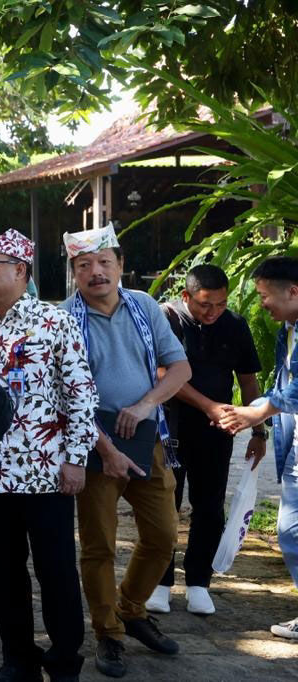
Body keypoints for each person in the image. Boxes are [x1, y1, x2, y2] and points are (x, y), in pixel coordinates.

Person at [0, 229, 98, 682]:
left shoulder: (54, 321)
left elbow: (80, 394)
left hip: (48, 474)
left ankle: (64, 659)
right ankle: (17, 658)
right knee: (2, 577)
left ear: (21, 271)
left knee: (56, 571)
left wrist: (77, 458)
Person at [59, 224, 191, 678]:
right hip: (93, 446)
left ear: (119, 265)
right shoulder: (62, 319)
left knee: (163, 536)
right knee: (98, 546)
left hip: (148, 438)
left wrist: (145, 404)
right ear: (74, 273)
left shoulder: (145, 305)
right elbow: (62, 394)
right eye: (84, 266)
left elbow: (179, 367)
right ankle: (108, 632)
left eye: (104, 263)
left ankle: (131, 609)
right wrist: (106, 446)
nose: (95, 273)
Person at [144, 264, 263, 616]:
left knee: (210, 507)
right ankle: (160, 581)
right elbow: (163, 374)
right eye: (204, 304)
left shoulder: (235, 325)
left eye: (221, 305)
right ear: (186, 297)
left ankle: (199, 581)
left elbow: (248, 381)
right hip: (170, 428)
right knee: (165, 505)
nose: (212, 313)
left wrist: (258, 430)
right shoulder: (167, 319)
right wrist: (209, 405)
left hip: (217, 430)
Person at [217, 256, 298, 641]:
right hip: (293, 445)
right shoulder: (288, 328)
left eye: (266, 295)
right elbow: (282, 383)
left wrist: (256, 413)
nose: (262, 303)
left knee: (291, 531)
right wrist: (256, 416)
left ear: (293, 291)